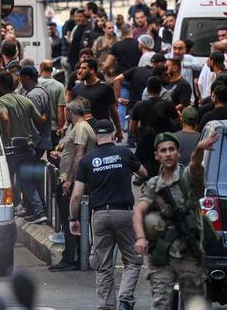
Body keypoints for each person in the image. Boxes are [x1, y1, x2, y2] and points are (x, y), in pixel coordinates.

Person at [132, 131, 217, 310]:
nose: (168, 154)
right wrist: (140, 238)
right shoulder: (153, 185)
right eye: (163, 150)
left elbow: (195, 166)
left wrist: (200, 149)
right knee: (160, 304)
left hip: (189, 254)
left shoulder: (187, 178)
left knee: (195, 304)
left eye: (172, 149)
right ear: (157, 155)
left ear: (178, 152)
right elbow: (139, 211)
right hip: (162, 254)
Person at [69, 119, 147, 310]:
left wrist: (73, 219)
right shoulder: (124, 153)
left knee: (103, 264)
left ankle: (107, 305)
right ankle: (125, 299)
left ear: (96, 136)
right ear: (113, 134)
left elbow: (76, 195)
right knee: (132, 260)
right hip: (124, 213)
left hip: (100, 216)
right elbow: (144, 173)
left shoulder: (87, 160)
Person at [0, 71, 48, 224]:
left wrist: (10, 138)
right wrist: (46, 114)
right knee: (26, 181)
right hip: (28, 147)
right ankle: (39, 212)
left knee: (7, 181)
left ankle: (10, 210)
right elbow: (40, 120)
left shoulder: (0, 102)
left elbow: (4, 118)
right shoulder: (25, 100)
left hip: (12, 150)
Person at [50, 99, 96, 272]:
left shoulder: (81, 128)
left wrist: (69, 180)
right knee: (71, 221)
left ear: (70, 112)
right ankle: (74, 256)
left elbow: (78, 155)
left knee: (70, 220)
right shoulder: (81, 128)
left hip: (74, 183)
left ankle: (70, 258)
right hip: (74, 180)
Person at [130, 76, 180, 178]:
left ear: (147, 90)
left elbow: (132, 128)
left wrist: (139, 138)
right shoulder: (168, 105)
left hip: (146, 143)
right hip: (164, 141)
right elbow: (178, 122)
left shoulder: (139, 105)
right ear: (161, 89)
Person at [72, 59, 123, 141]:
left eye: (84, 68)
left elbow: (113, 111)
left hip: (102, 132)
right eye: (80, 68)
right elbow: (74, 112)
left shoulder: (105, 88)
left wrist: (119, 130)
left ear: (92, 70)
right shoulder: (76, 89)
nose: (80, 71)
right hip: (83, 133)